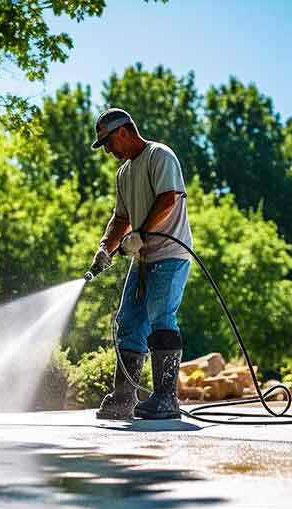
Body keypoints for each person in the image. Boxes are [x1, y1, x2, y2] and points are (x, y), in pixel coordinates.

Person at [89, 108, 193, 420]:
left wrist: (141, 234)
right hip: (144, 257)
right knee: (129, 321)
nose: (108, 150)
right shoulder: (124, 172)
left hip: (170, 253)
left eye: (108, 142)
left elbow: (169, 199)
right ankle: (124, 397)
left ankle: (166, 399)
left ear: (123, 131)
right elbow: (120, 217)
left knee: (161, 317)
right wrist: (105, 248)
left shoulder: (159, 155)